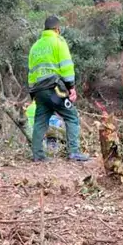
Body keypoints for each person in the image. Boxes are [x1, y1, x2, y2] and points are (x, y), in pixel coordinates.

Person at [26, 15, 90, 162]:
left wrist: (33, 94)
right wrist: (71, 87)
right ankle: (74, 152)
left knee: (40, 121)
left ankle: (38, 156)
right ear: (57, 29)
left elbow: (31, 72)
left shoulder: (35, 47)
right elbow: (67, 67)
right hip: (54, 90)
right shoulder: (58, 42)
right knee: (71, 116)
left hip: (38, 91)